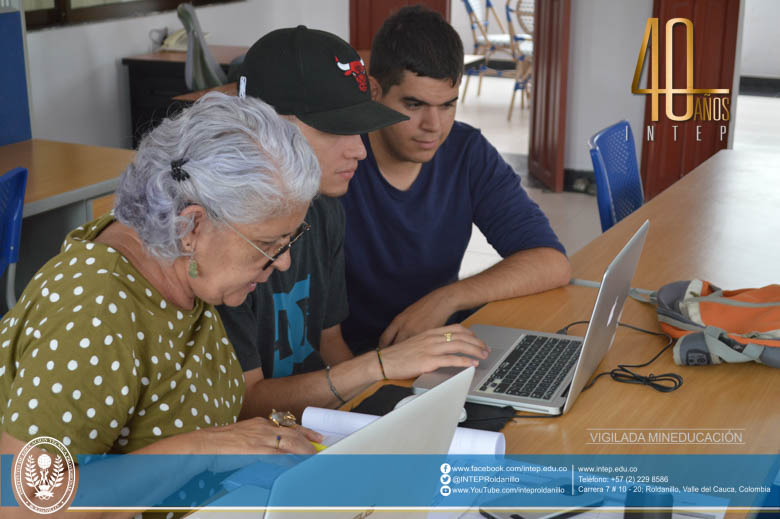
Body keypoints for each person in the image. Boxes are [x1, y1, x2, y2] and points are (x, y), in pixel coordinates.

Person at [0, 93, 322, 514]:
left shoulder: (181, 268)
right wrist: (204, 449)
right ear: (191, 226)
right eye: (267, 244)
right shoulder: (96, 310)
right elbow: (21, 502)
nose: (283, 262)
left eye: (289, 240)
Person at [218, 26, 489, 418]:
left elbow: (328, 343)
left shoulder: (324, 209)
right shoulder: (219, 237)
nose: (360, 150)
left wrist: (382, 407)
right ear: (268, 127)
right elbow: (244, 404)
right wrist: (380, 365)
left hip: (313, 425)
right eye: (335, 129)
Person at [339, 6, 572, 354]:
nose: (434, 126)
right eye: (414, 105)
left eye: (448, 105)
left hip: (442, 346)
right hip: (358, 359)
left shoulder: (467, 151)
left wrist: (446, 299)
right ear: (375, 91)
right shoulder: (339, 163)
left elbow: (550, 262)